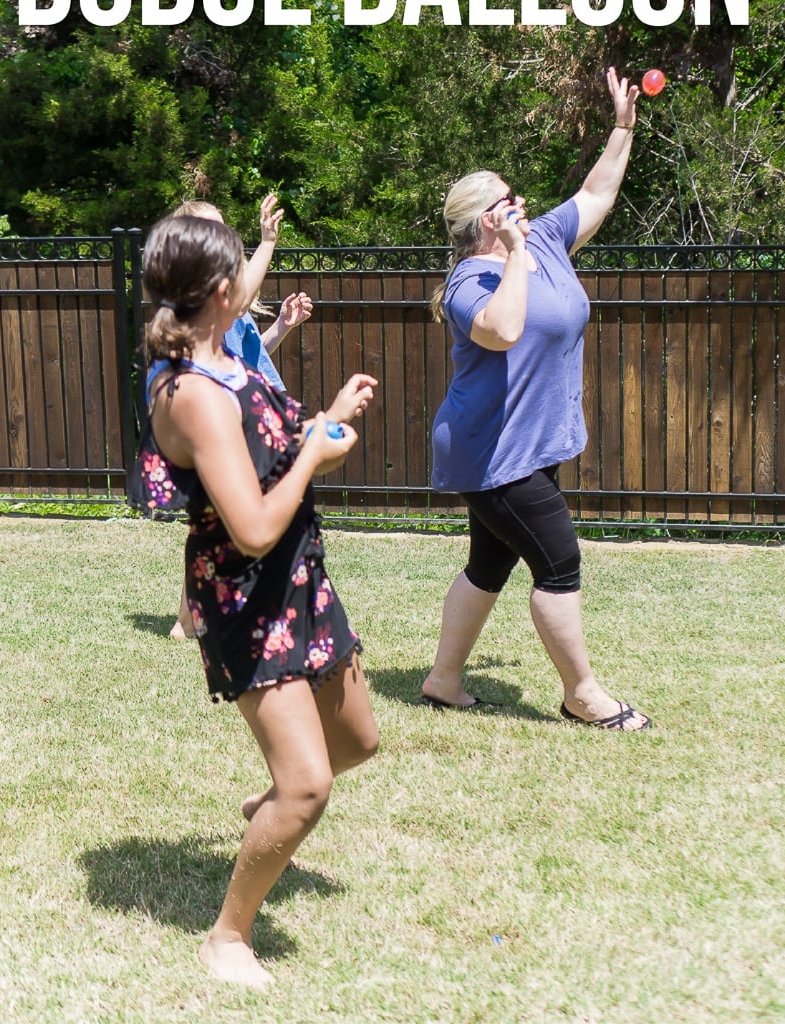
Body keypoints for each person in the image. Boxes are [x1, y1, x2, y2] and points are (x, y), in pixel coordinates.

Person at [130, 209, 379, 988]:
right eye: (241, 264)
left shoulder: (235, 365)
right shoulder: (193, 394)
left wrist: (325, 427)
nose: (249, 275)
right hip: (246, 597)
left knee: (358, 744)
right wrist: (312, 449)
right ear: (219, 286)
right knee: (310, 784)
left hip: (299, 577)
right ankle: (227, 939)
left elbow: (273, 463)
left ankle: (273, 800)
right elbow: (253, 528)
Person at [422, 67, 651, 732]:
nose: (521, 204)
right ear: (483, 222)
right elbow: (503, 329)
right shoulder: (470, 281)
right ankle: (582, 694)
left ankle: (442, 680)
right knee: (558, 560)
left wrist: (622, 129)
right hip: (490, 452)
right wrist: (514, 254)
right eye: (507, 201)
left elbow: (595, 192)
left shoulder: (547, 239)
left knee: (488, 564)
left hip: (527, 443)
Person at [168, 195, 313, 639]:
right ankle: (193, 617)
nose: (227, 235)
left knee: (233, 517)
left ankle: (193, 617)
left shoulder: (223, 292)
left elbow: (247, 357)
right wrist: (268, 241)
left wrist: (281, 328)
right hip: (226, 415)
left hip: (254, 409)